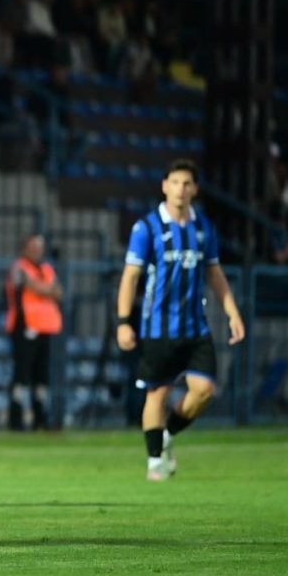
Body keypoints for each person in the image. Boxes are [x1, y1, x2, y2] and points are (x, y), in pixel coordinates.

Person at [116, 159, 246, 481]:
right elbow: (130, 277)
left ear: (195, 189)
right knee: (157, 394)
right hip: (158, 327)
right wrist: (122, 321)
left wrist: (232, 313)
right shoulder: (146, 228)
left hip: (195, 327)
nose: (181, 189)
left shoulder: (203, 229)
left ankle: (166, 435)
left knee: (203, 390)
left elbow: (214, 274)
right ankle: (154, 462)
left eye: (187, 183)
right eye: (175, 182)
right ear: (164, 186)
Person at [3, 234, 63, 431]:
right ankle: (16, 419)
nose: (38, 250)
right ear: (25, 248)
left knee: (42, 376)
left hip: (46, 327)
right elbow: (38, 288)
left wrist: (44, 289)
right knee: (22, 374)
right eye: (34, 246)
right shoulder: (19, 267)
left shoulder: (46, 268)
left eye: (40, 247)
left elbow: (58, 292)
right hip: (25, 327)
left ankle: (40, 418)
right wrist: (46, 289)